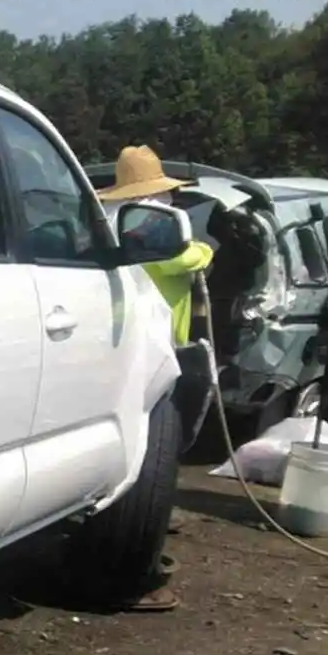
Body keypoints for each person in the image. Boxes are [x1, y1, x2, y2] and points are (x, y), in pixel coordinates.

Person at [96, 145, 216, 613]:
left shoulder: (120, 221)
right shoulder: (148, 233)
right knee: (153, 447)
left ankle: (148, 519)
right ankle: (135, 545)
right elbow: (187, 258)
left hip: (154, 346)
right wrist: (204, 247)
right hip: (153, 351)